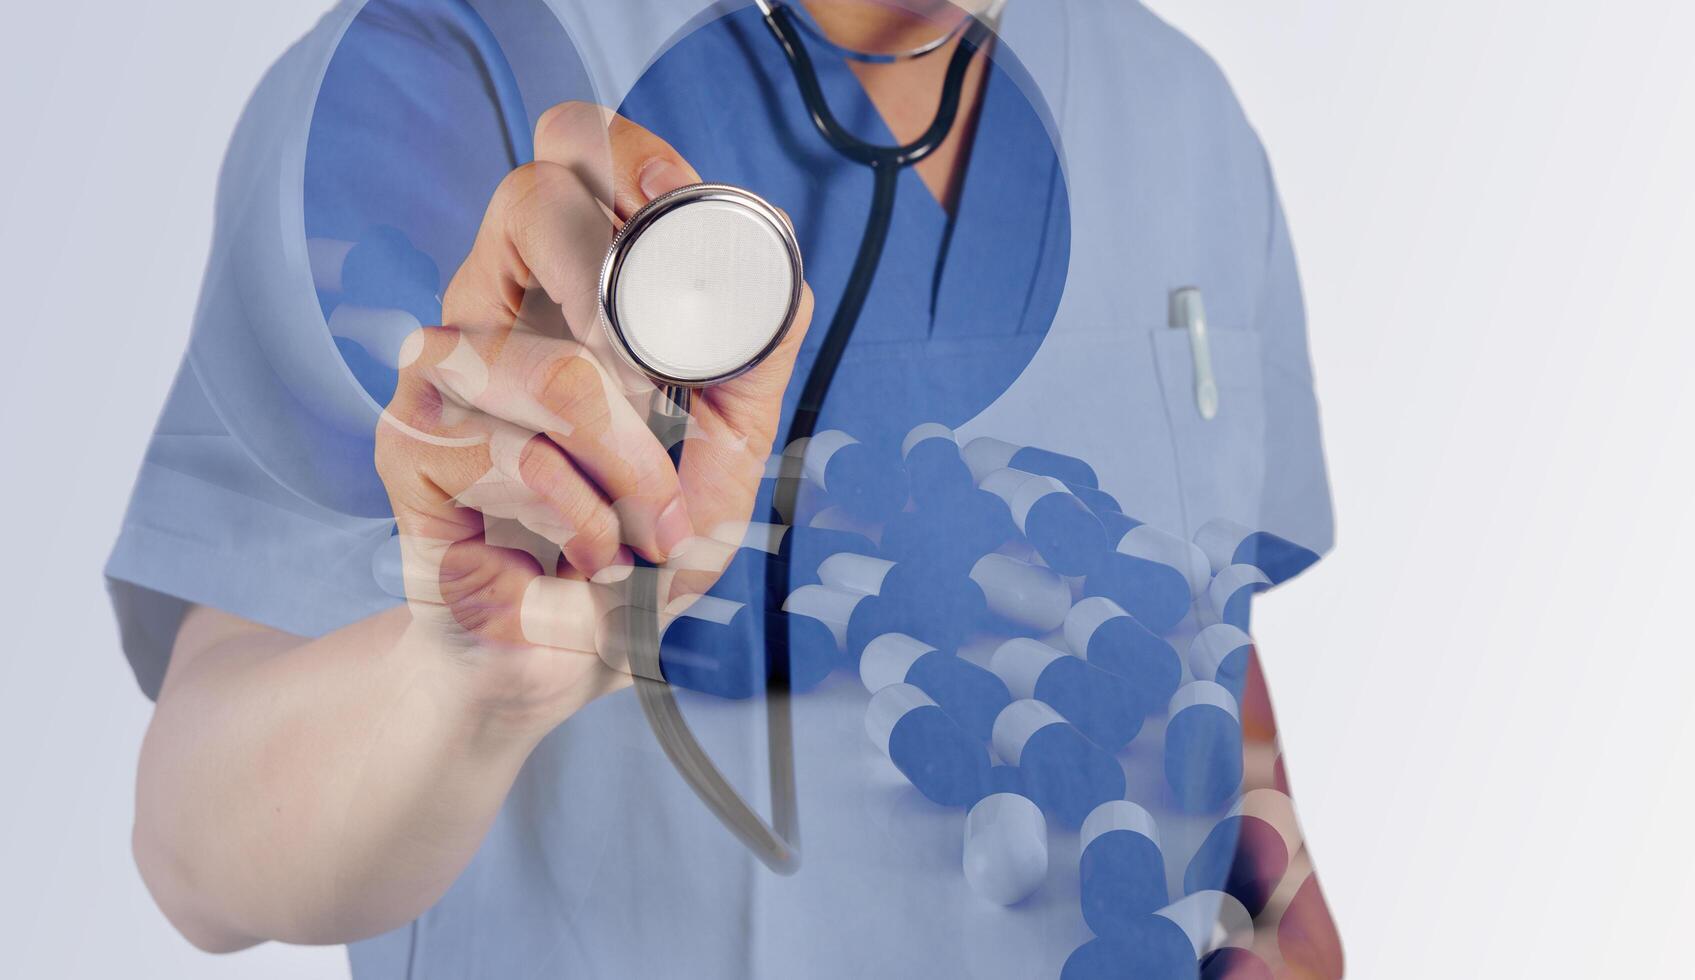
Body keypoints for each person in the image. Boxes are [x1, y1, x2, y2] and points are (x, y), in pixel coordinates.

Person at [107, 0, 1344, 976]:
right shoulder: (440, 76)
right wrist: (473, 669)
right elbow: (189, 845)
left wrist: (1279, 882)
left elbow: (1196, 603)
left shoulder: (1184, 112)